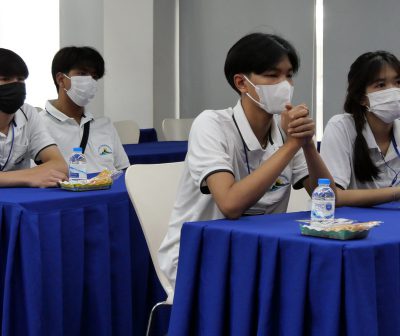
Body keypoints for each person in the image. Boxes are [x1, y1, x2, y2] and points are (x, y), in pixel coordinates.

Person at [159, 32, 335, 289]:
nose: (285, 85)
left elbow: (328, 196)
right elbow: (230, 204)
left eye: (288, 75)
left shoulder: (285, 131)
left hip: (262, 252)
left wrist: (307, 144)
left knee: (322, 280)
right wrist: (291, 145)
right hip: (203, 256)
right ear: (242, 82)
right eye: (273, 75)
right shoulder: (211, 124)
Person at [321, 51, 400, 206]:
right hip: (351, 219)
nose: (394, 91)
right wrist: (396, 193)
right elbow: (333, 196)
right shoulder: (341, 127)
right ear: (362, 98)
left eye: (398, 82)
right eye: (381, 85)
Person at [40, 46, 129, 173]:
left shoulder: (105, 125)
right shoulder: (39, 126)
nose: (90, 81)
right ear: (61, 79)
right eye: (82, 74)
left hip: (109, 185)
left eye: (94, 77)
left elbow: (124, 169)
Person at [0, 48, 67, 187]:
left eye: (20, 79)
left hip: (21, 199)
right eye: (5, 79)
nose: (16, 85)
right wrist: (29, 177)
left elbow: (60, 165)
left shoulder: (28, 113)